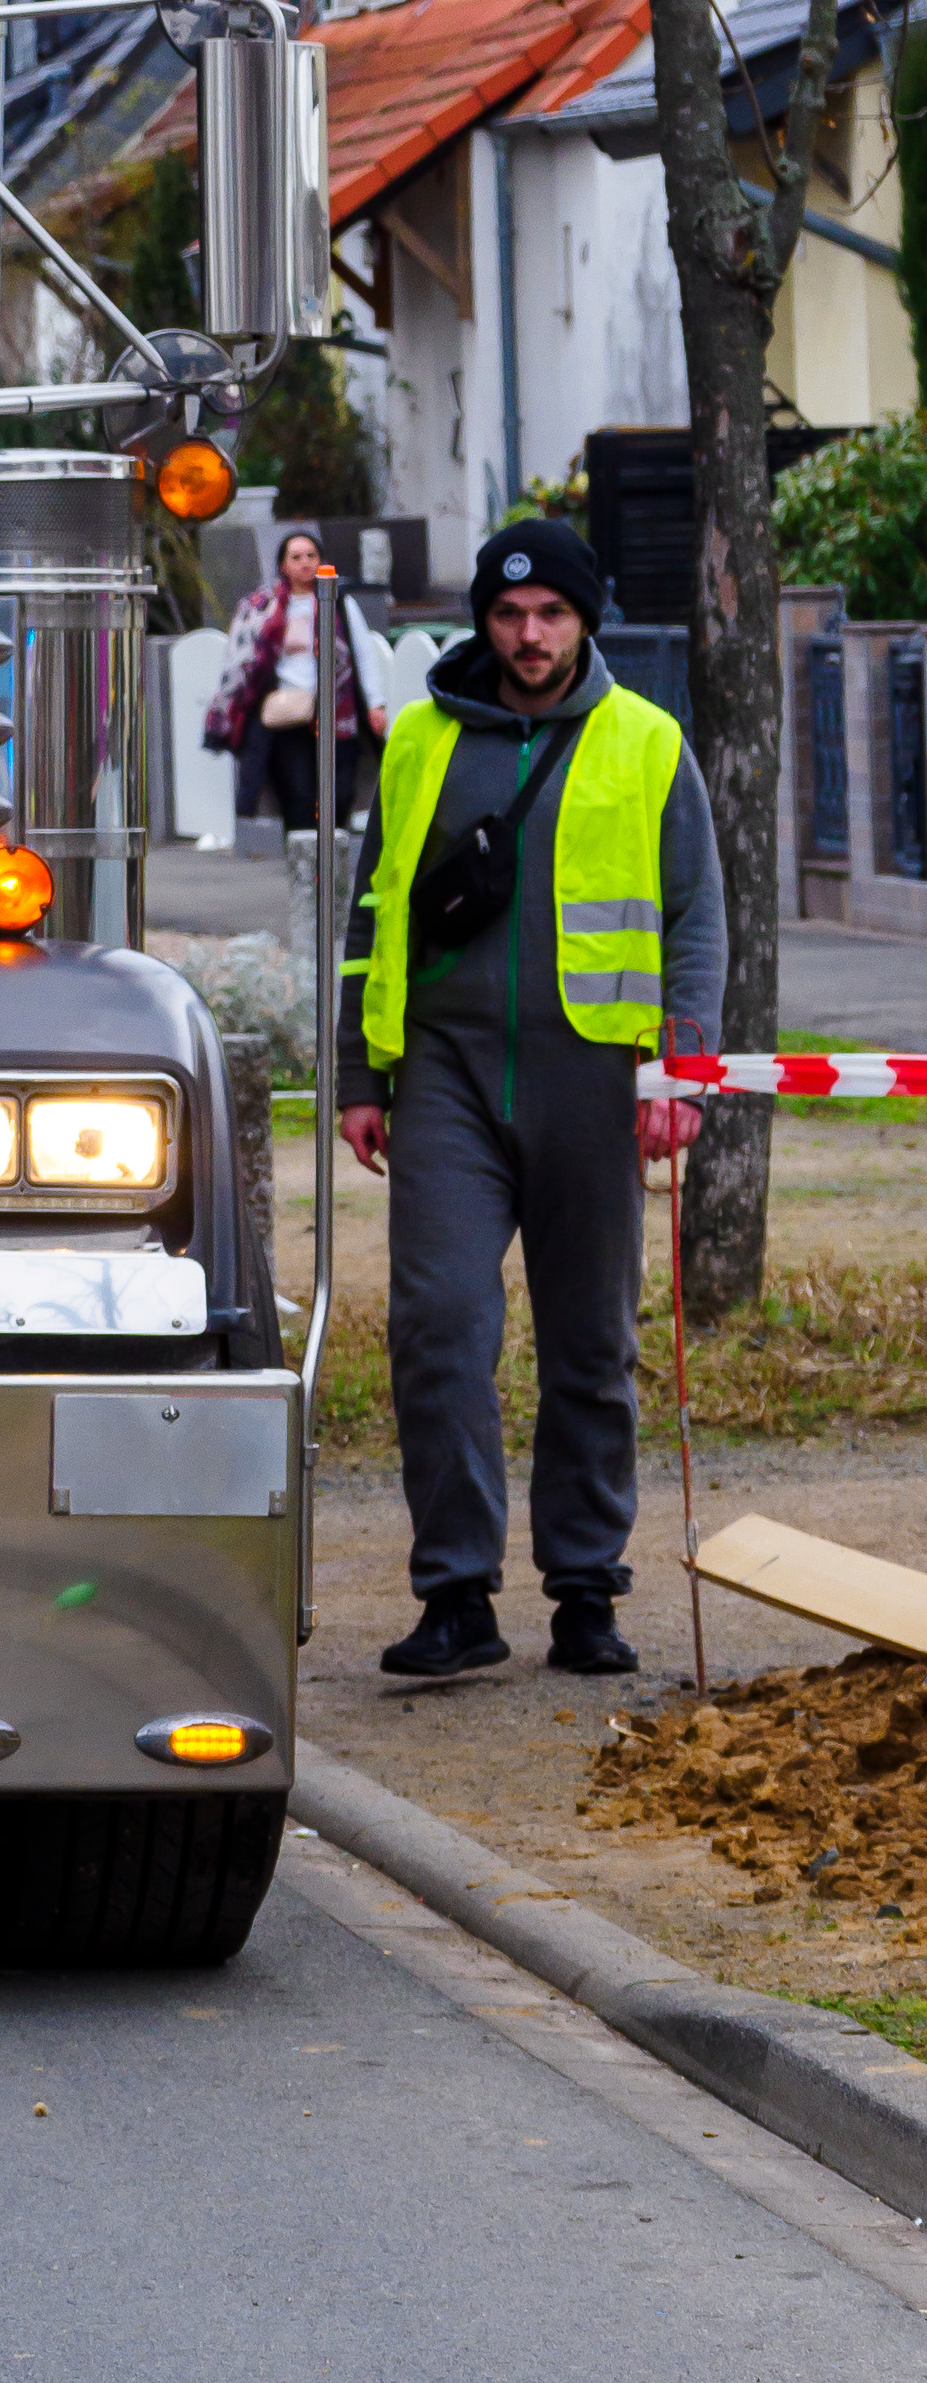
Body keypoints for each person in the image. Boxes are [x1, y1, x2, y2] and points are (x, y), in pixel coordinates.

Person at [336, 519, 726, 1684]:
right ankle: (456, 1594)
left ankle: (585, 1589)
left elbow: (697, 919)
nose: (529, 634)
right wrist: (359, 1077)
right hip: (445, 1078)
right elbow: (373, 914)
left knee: (591, 1344)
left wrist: (681, 1071)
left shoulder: (647, 741)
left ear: (584, 619)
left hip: (592, 1083)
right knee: (439, 1327)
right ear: (483, 623)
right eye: (508, 615)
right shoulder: (418, 740)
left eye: (551, 612)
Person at [203, 524, 372, 827]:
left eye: (311, 555)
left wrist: (375, 703)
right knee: (298, 793)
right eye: (296, 557)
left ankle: (333, 848)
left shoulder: (340, 602)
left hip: (335, 711)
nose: (305, 562)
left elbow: (363, 654)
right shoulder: (261, 607)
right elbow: (240, 661)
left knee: (341, 789)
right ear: (283, 564)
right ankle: (302, 851)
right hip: (286, 713)